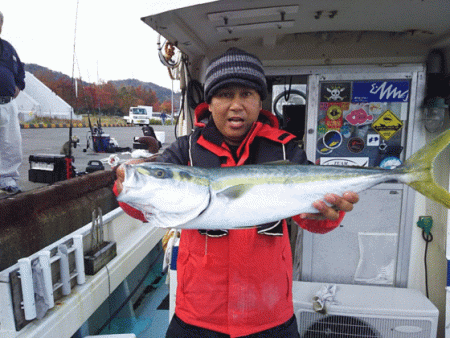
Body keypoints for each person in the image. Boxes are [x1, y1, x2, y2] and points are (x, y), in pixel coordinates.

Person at [114, 47, 359, 337]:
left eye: (247, 94)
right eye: (225, 95)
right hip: (199, 314)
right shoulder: (185, 149)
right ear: (211, 102)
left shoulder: (285, 148)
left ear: (259, 101)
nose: (236, 105)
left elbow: (311, 219)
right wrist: (125, 186)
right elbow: (144, 207)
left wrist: (329, 213)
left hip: (268, 315)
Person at [0, 11, 25, 194]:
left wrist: (18, 85)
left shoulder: (8, 48)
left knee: (11, 145)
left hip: (8, 104)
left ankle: (7, 180)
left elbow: (20, 70)